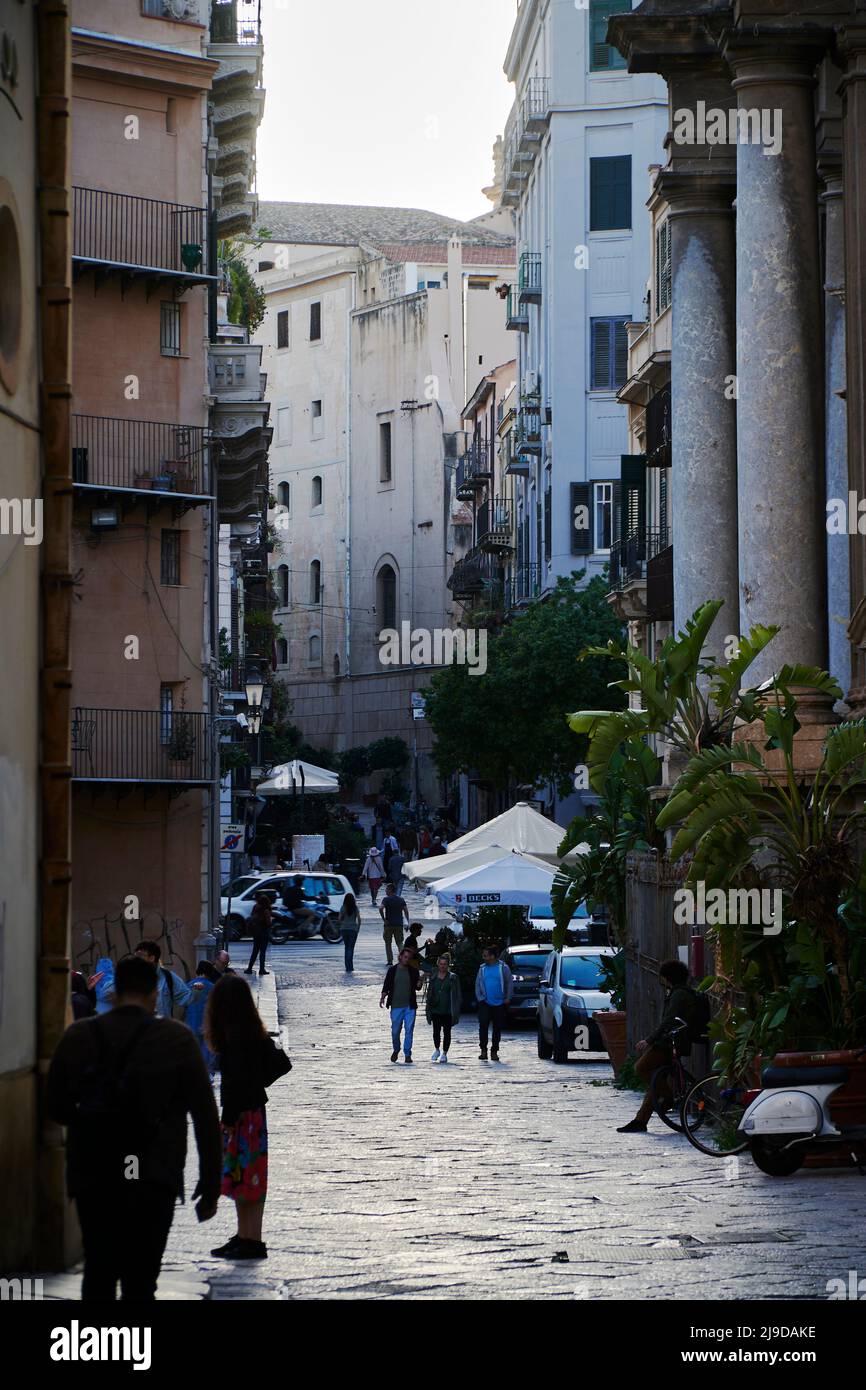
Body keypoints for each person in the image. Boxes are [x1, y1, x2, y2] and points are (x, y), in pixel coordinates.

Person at [45, 954, 221, 1301]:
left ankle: (99, 1349)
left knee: (98, 1271)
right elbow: (204, 1116)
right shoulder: (177, 1040)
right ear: (155, 994)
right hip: (155, 1174)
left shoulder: (79, 1036)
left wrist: (92, 1120)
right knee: (142, 1281)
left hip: (94, 1173)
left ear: (113, 992)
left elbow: (56, 1107)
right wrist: (210, 1183)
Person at [205, 974, 292, 1260]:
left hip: (240, 1116)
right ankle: (248, 1235)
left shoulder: (232, 1039)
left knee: (242, 1180)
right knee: (251, 1180)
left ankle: (250, 1240)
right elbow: (281, 1063)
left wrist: (226, 1121)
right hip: (255, 1113)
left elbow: (233, 1085)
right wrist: (259, 1082)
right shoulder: (254, 1032)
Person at [616, 959, 706, 1133]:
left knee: (641, 1068)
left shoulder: (679, 995)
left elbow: (668, 1022)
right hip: (672, 1041)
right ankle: (640, 1121)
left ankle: (668, 1096)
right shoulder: (679, 993)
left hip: (670, 1043)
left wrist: (649, 1040)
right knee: (655, 1081)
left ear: (668, 977)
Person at [134, 940, 203, 1019]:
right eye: (135, 956)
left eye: (140, 956)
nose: (136, 960)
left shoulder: (168, 978)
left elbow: (186, 998)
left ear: (152, 958)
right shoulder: (130, 978)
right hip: (138, 1029)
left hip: (161, 1029)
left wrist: (196, 990)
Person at [379, 947, 421, 1064]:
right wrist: (382, 997)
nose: (407, 960)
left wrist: (420, 982)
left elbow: (417, 987)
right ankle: (396, 1049)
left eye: (409, 958)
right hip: (396, 1006)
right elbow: (386, 986)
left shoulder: (413, 971)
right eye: (405, 957)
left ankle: (408, 1054)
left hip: (409, 1006)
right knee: (395, 1031)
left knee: (409, 1030)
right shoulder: (392, 970)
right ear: (400, 957)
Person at [474, 944, 514, 1062]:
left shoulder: (503, 967)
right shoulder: (482, 969)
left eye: (485, 955)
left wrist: (508, 998)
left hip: (499, 1003)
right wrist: (480, 998)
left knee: (497, 1027)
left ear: (492, 956)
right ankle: (483, 1050)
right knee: (483, 1026)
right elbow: (477, 984)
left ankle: (494, 1051)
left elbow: (509, 983)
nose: (484, 957)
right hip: (485, 1002)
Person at [425, 952, 461, 1063]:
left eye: (445, 964)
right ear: (438, 964)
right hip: (436, 1008)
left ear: (448, 965)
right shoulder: (433, 977)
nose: (442, 966)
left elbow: (457, 995)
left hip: (447, 1010)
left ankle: (445, 1053)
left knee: (447, 1032)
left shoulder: (453, 978)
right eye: (440, 964)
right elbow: (430, 992)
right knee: (436, 1031)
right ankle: (437, 1049)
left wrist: (456, 1008)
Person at [186, 960, 220, 1072]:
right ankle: (207, 1072)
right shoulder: (212, 987)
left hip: (191, 1022)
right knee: (207, 1050)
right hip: (206, 1024)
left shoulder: (188, 985)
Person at [380, 881, 410, 964]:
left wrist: (384, 919)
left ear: (390, 890)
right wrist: (407, 922)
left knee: (388, 943)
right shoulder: (401, 899)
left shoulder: (386, 899)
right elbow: (406, 911)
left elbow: (380, 908)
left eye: (386, 889)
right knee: (400, 943)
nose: (385, 891)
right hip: (399, 924)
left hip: (388, 924)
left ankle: (390, 961)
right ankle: (404, 960)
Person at [245, 891, 271, 976]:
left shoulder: (255, 907)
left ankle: (249, 968)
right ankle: (261, 969)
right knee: (262, 952)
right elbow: (268, 922)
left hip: (256, 932)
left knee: (255, 951)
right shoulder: (266, 910)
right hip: (264, 932)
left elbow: (252, 916)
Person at [339, 893, 361, 973]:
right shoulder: (355, 908)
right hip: (353, 929)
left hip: (344, 929)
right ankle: (350, 967)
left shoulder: (343, 907)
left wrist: (342, 923)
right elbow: (359, 919)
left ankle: (347, 966)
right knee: (351, 948)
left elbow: (339, 919)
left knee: (346, 947)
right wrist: (357, 929)